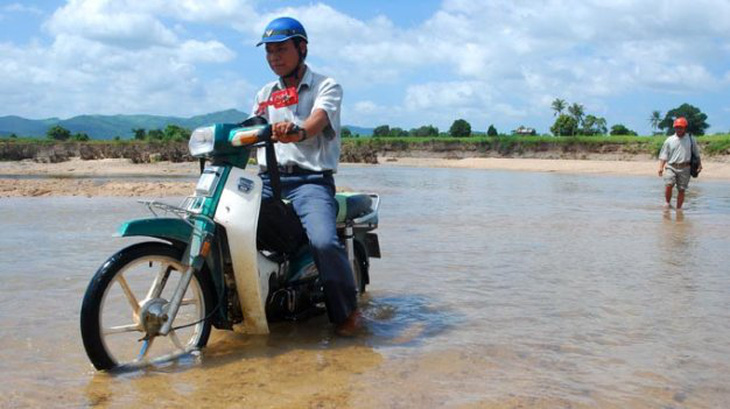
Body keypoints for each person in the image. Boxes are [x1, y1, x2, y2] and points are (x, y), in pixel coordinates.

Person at [250, 17, 360, 335]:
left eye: (281, 49)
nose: (274, 57)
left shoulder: (326, 85)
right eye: (269, 52)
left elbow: (316, 120)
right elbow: (252, 125)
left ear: (302, 48)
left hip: (310, 181)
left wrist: (296, 132)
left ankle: (347, 314)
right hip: (268, 179)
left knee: (324, 243)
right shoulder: (264, 93)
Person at [657, 117, 702, 210]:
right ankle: (667, 203)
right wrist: (661, 167)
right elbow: (664, 154)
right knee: (668, 185)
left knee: (681, 189)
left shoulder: (691, 139)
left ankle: (678, 209)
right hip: (671, 166)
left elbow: (696, 153)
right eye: (677, 127)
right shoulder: (669, 140)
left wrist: (700, 165)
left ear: (685, 128)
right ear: (674, 128)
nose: (679, 129)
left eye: (681, 127)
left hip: (685, 168)